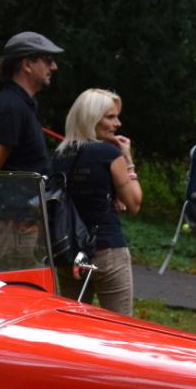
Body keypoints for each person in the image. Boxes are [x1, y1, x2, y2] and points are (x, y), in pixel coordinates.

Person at [0, 31, 63, 270]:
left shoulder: (21, 105)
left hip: (19, 227)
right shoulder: (11, 108)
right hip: (8, 230)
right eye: (48, 60)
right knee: (15, 291)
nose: (53, 67)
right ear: (27, 64)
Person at [50, 89, 142, 314]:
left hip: (68, 252)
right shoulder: (108, 154)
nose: (118, 123)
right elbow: (134, 203)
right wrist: (128, 160)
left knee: (73, 324)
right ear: (91, 118)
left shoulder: (60, 155)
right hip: (107, 250)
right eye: (110, 117)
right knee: (120, 326)